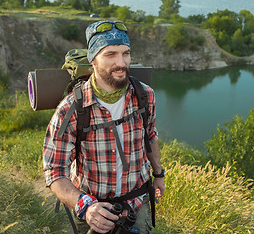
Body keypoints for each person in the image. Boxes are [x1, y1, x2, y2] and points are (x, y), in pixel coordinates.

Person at [42, 20, 165, 234]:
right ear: (93, 59)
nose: (121, 62)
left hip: (137, 204)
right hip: (94, 211)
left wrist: (159, 175)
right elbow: (54, 171)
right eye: (110, 54)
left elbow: (150, 136)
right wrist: (86, 207)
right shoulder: (71, 109)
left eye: (125, 53)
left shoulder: (145, 96)